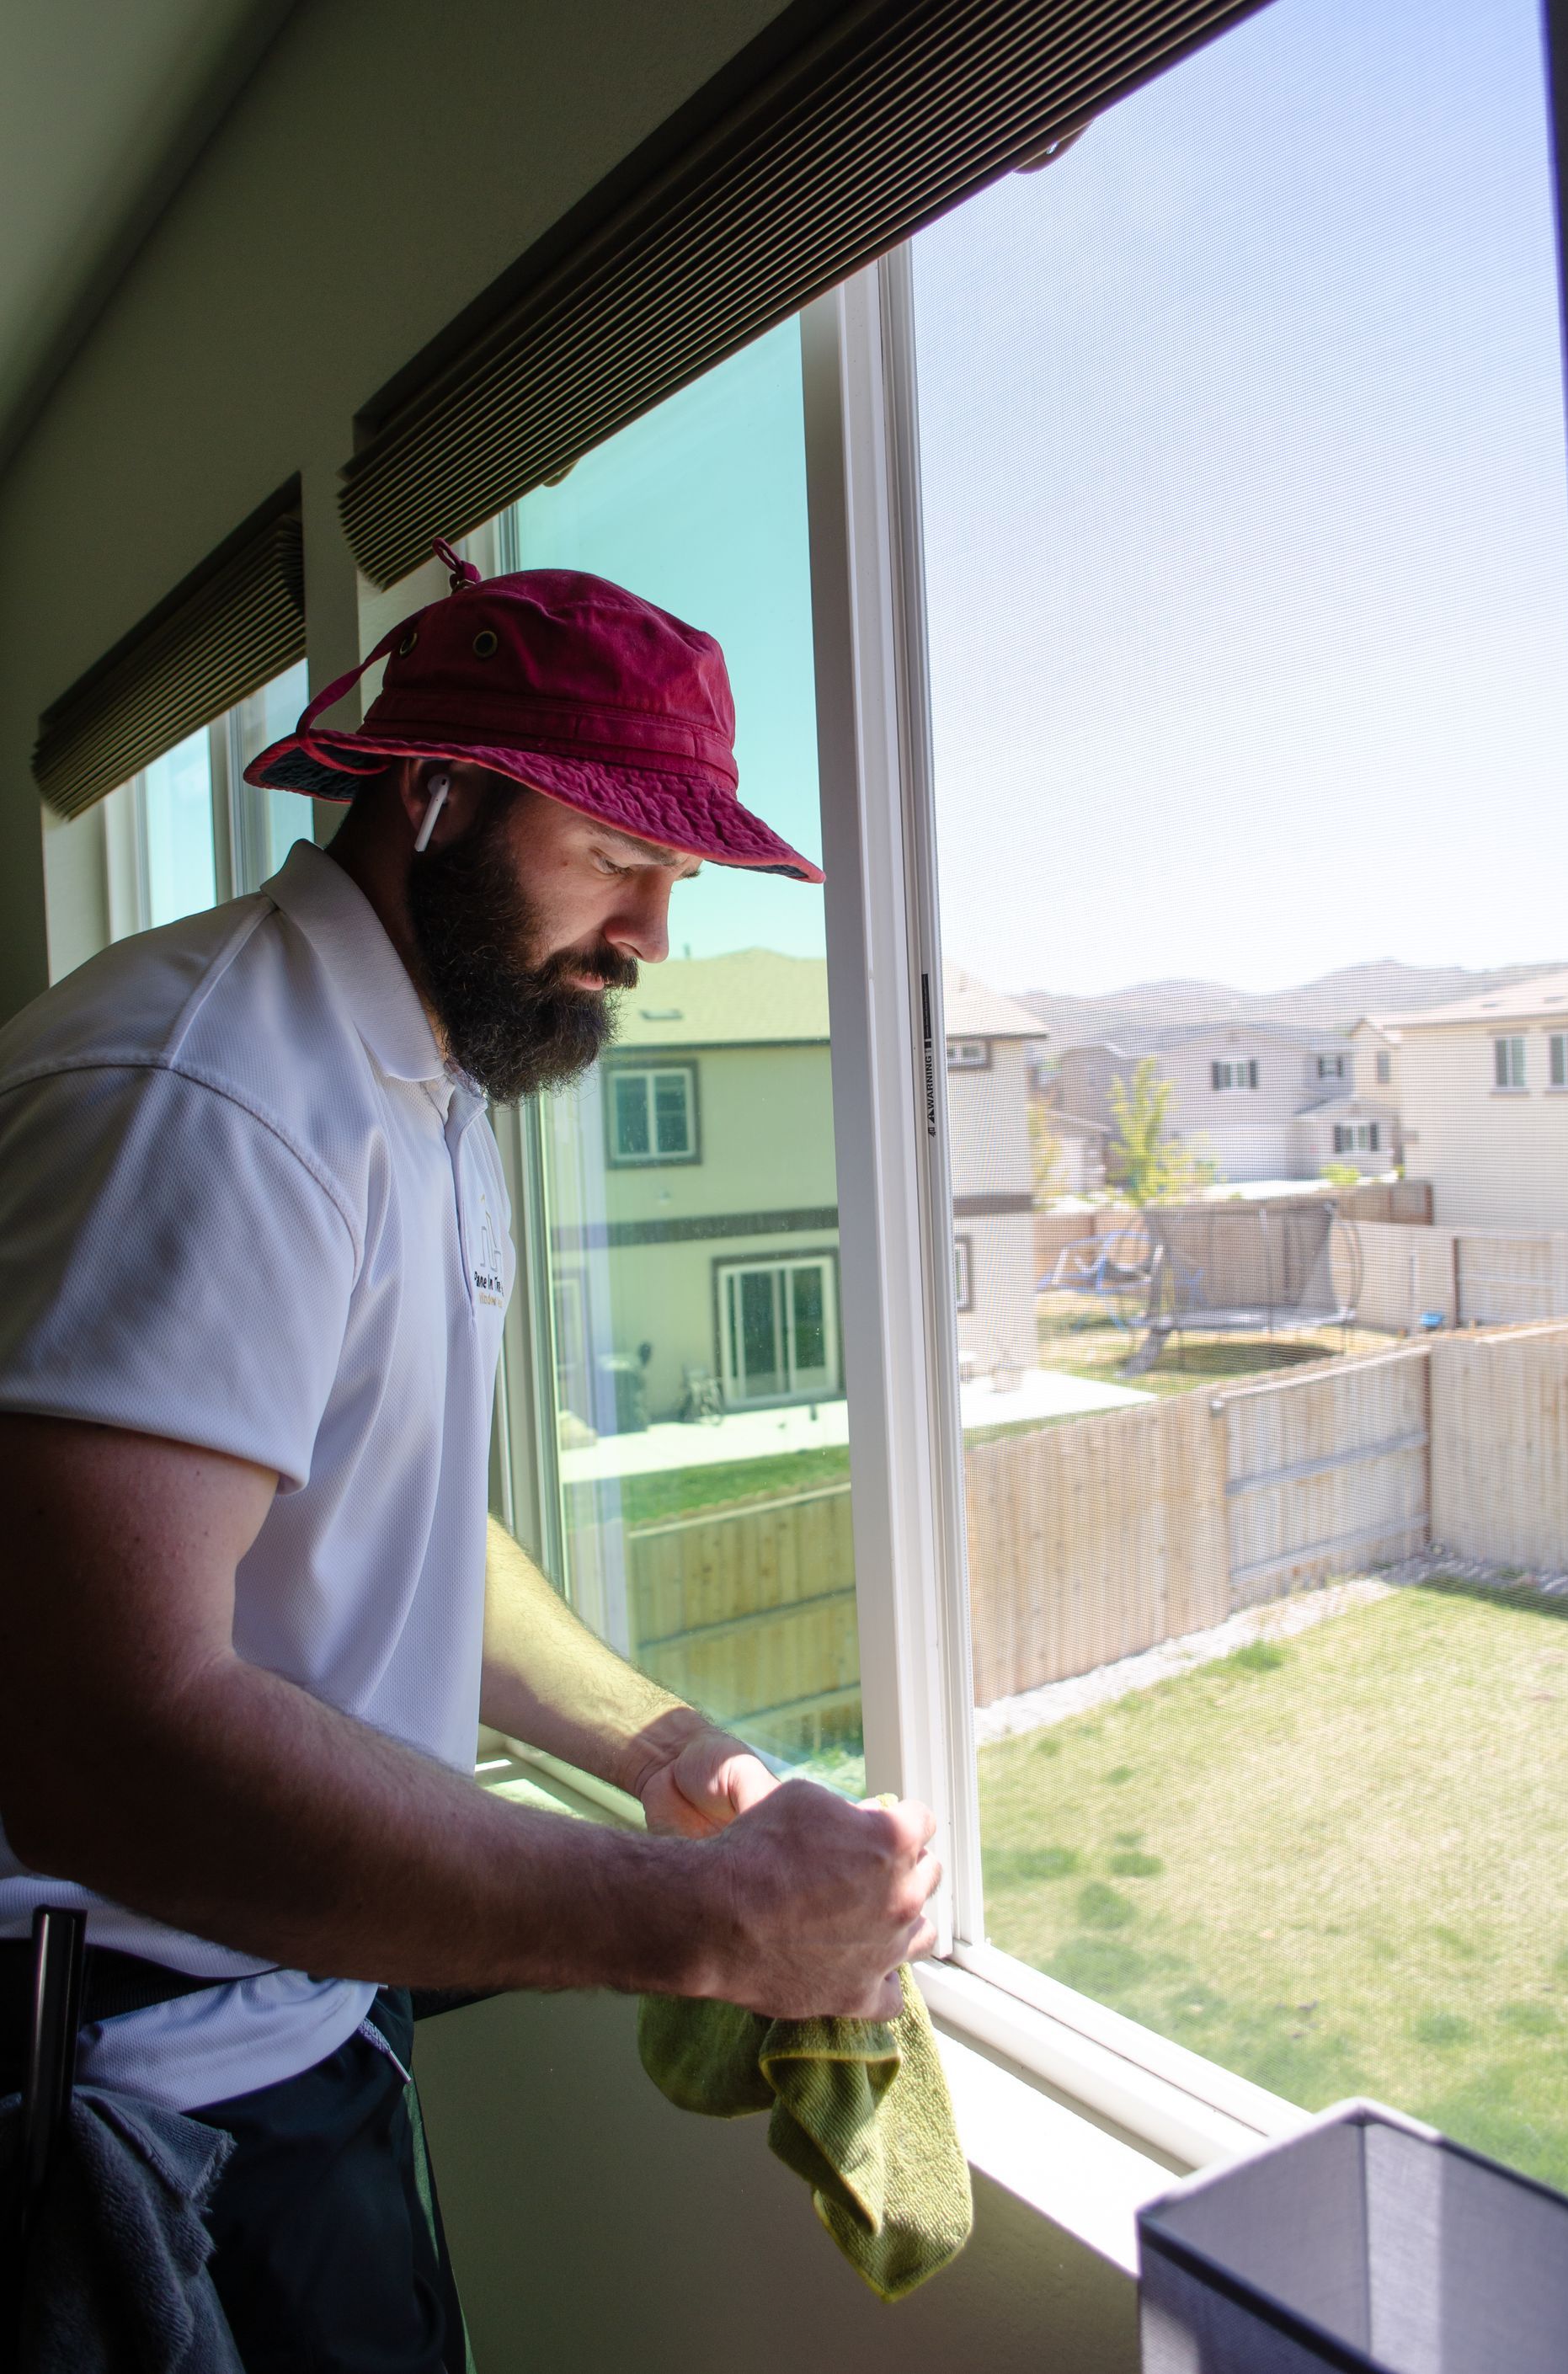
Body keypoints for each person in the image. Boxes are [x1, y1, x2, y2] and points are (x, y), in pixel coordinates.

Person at [0, 548, 939, 2370]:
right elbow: (108, 1745)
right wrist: (701, 1924)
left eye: (677, 874)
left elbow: (388, 1506)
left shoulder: (431, 1078)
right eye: (615, 855)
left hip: (302, 2020)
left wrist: (660, 1745)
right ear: (424, 792)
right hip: (118, 2101)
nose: (655, 934)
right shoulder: (212, 1101)